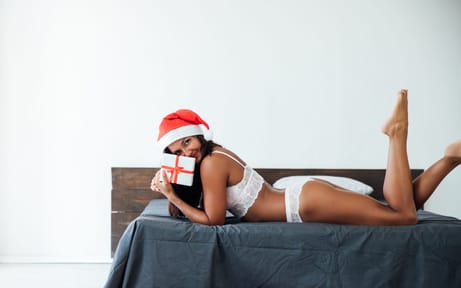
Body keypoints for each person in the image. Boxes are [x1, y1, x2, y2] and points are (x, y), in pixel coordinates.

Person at [151, 90, 460, 226]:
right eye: (177, 152)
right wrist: (176, 182)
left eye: (188, 142)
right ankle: (450, 160)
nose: (186, 152)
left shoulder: (210, 164)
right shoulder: (216, 153)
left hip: (303, 204)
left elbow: (214, 221)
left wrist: (171, 195)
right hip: (305, 197)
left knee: (403, 218)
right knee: (400, 208)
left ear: (199, 135)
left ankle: (396, 134)